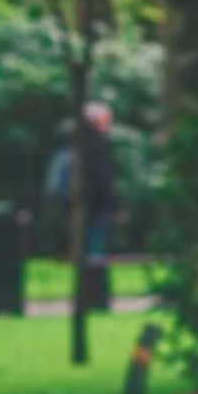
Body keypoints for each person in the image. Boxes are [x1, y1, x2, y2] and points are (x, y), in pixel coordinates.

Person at [42, 100, 118, 311]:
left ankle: (85, 297)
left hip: (74, 207)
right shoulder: (96, 146)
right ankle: (95, 298)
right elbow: (103, 179)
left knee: (84, 252)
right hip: (93, 208)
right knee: (94, 254)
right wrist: (113, 205)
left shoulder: (71, 144)